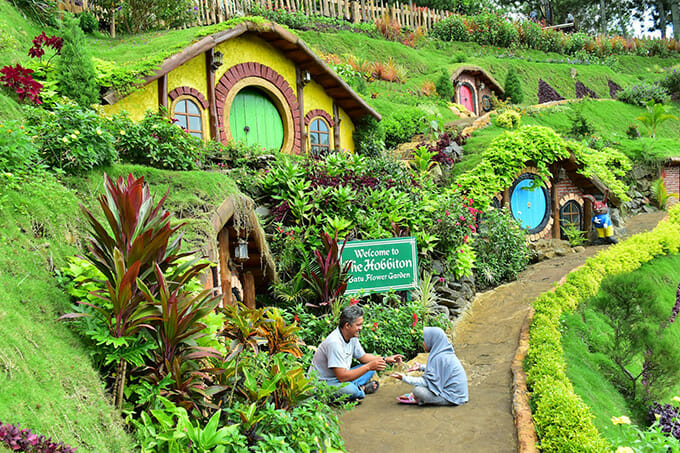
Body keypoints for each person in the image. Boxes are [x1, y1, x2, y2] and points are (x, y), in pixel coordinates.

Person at [309, 305, 404, 400]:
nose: (361, 328)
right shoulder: (334, 342)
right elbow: (342, 377)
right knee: (350, 390)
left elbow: (363, 357)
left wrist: (386, 359)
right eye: (358, 325)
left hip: (340, 379)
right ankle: (360, 390)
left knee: (371, 370)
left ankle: (355, 389)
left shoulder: (352, 336)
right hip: (323, 384)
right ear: (347, 325)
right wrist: (368, 366)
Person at [390, 326, 468, 406]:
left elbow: (426, 382)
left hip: (452, 398)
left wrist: (404, 378)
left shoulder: (439, 357)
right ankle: (417, 397)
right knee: (420, 388)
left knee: (418, 390)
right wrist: (421, 367)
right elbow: (437, 370)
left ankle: (418, 398)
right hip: (459, 395)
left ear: (432, 341)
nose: (423, 343)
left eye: (425, 340)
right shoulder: (444, 353)